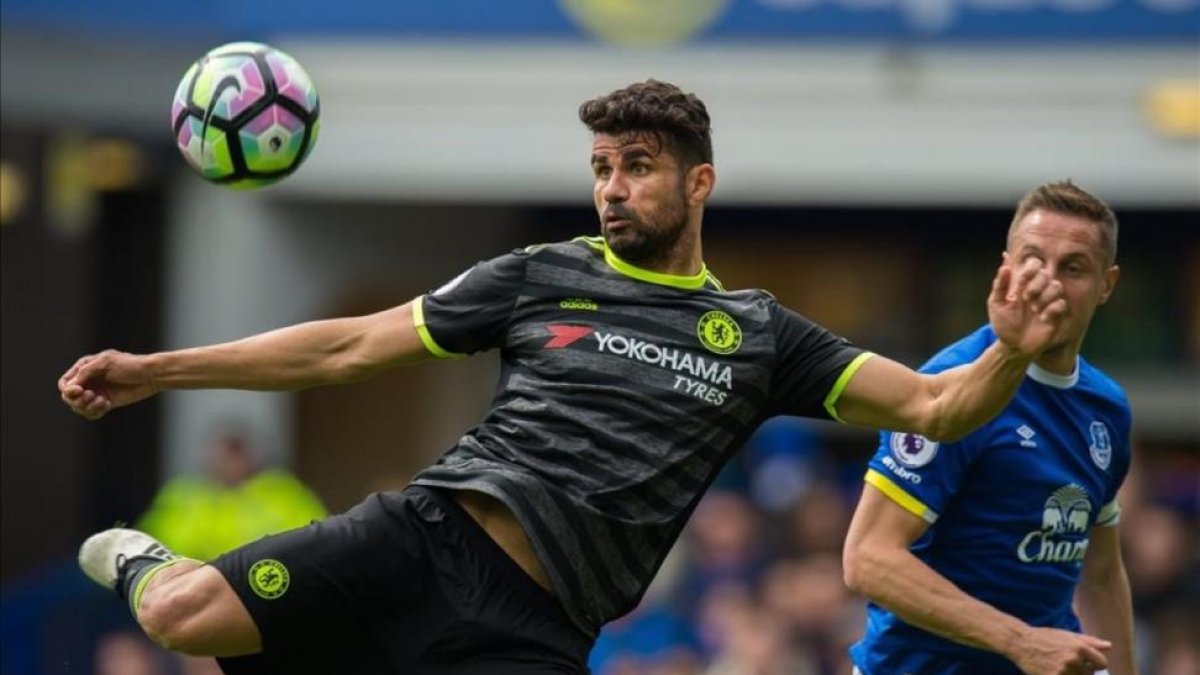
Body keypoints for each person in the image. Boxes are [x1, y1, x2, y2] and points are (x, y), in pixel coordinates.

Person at [62, 80, 1068, 674]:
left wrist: (1011, 348)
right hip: (427, 538)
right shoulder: (543, 273)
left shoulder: (760, 334)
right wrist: (158, 369)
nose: (613, 188)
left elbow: (940, 405)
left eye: (636, 165)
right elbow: (347, 347)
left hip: (541, 625)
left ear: (697, 182)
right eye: (601, 166)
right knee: (176, 619)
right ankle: (145, 558)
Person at [842, 181, 1135, 675]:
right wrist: (1020, 641)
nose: (1050, 283)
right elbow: (868, 558)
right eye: (1034, 261)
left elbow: (1103, 572)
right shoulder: (953, 391)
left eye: (1074, 268)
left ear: (1106, 285)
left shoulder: (1106, 408)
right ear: (1007, 268)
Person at [135, 425, 327, 562]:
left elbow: (316, 538)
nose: (231, 462)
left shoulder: (282, 492)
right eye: (225, 454)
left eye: (238, 453)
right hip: (196, 583)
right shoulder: (184, 494)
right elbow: (156, 545)